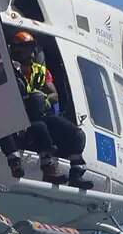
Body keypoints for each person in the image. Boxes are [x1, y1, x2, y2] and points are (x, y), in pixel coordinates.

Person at [8, 31, 90, 188]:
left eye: (32, 48)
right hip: (18, 116)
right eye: (26, 48)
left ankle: (76, 174)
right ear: (16, 50)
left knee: (76, 134)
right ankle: (48, 168)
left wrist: (44, 99)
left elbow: (54, 94)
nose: (31, 52)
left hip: (39, 113)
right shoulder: (8, 68)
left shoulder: (41, 71)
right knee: (39, 126)